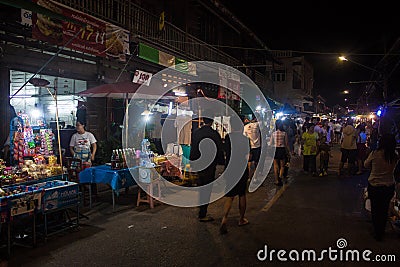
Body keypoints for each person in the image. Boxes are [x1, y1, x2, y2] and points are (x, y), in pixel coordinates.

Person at [189, 113, 225, 222]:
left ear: (203, 121)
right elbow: (219, 149)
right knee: (207, 187)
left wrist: (192, 162)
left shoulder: (196, 133)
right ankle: (202, 213)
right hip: (210, 164)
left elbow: (193, 148)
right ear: (212, 121)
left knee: (201, 185)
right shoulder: (214, 134)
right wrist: (221, 162)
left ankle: (201, 209)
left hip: (199, 163)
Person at [364, 134, 399, 241]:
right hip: (388, 185)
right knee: (384, 209)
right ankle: (382, 230)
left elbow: (366, 164)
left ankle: (377, 231)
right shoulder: (395, 155)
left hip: (375, 184)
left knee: (375, 209)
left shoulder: (375, 154)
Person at [219, 117, 250, 235]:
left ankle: (224, 219)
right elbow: (248, 155)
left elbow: (225, 152)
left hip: (230, 169)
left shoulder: (227, 137)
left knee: (230, 195)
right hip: (241, 169)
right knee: (242, 194)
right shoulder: (244, 139)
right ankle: (241, 219)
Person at [269, 119, 289, 185]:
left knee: (275, 166)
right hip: (282, 149)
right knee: (282, 165)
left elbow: (271, 143)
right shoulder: (284, 133)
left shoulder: (273, 133)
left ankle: (277, 180)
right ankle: (280, 177)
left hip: (275, 150)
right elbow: (286, 144)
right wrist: (288, 152)